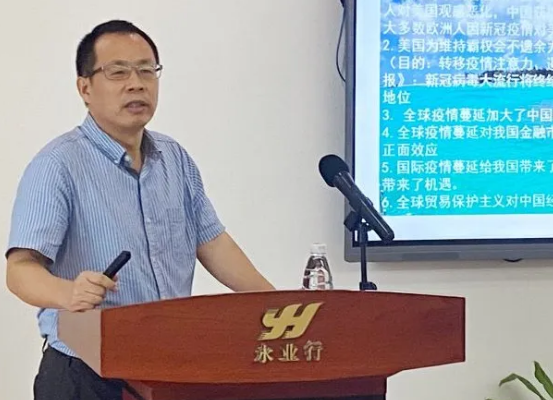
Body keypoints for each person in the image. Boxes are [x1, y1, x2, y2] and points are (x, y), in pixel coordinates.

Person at [5, 19, 275, 400]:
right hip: (86, 375)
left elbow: (214, 244)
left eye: (147, 70)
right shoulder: (58, 165)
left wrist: (278, 304)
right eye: (118, 72)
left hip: (167, 368)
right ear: (85, 88)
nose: (136, 83)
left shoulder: (174, 159)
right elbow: (19, 270)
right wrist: (68, 292)